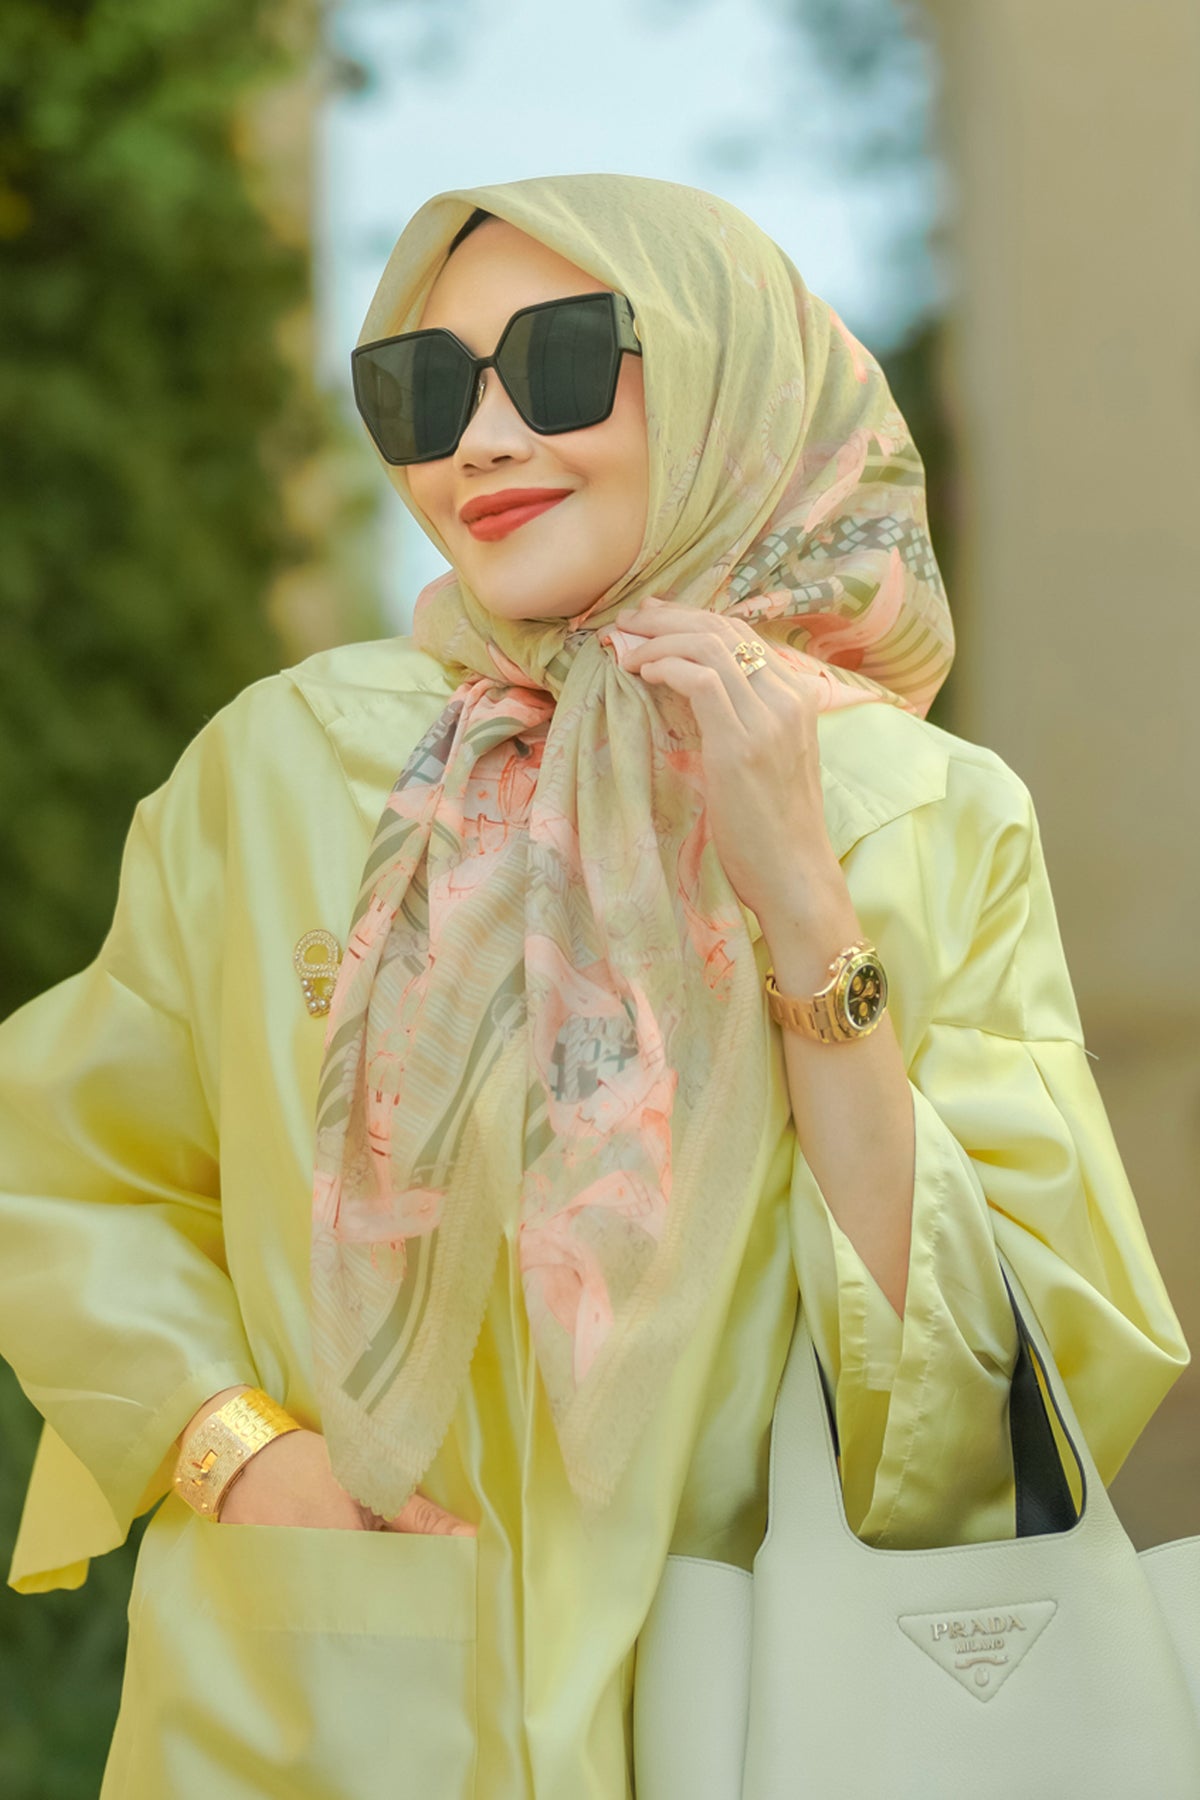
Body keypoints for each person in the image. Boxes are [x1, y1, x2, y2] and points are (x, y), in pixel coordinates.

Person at [0, 173, 1189, 1800]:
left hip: (764, 1719)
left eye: (558, 363)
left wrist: (799, 900)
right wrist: (239, 1451)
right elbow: (65, 1168)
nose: (481, 442)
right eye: (424, 390)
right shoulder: (285, 767)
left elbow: (1004, 1371)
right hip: (325, 1710)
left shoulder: (922, 812)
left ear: (721, 380)